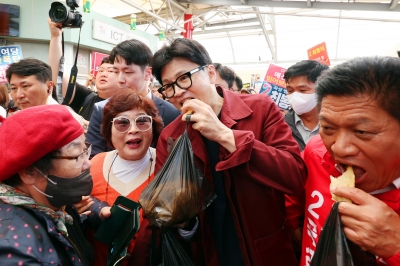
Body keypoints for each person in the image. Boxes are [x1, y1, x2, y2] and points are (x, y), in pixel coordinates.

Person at [151, 38, 307, 266]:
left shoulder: (260, 109)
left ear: (211, 73)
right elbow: (167, 205)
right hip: (207, 252)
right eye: (168, 86)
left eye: (184, 78)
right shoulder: (171, 135)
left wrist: (226, 135)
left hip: (264, 251)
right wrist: (182, 222)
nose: (178, 92)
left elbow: (293, 176)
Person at [286, 56, 400, 266]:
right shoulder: (315, 152)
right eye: (328, 128)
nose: (338, 147)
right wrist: (293, 226)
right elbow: (293, 196)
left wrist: (396, 247)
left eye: (361, 131)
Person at [0, 104, 111, 265]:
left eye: (85, 150)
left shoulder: (53, 204)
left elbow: (76, 215)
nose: (88, 164)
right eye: (76, 156)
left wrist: (99, 212)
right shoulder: (15, 250)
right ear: (30, 172)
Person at [82, 90, 163, 266]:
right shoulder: (92, 164)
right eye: (122, 123)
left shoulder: (167, 167)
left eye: (142, 121)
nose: (133, 129)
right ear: (108, 130)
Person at [86, 39, 180, 158]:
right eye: (115, 71)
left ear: (147, 73)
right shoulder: (101, 110)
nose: (120, 79)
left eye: (127, 72)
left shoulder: (172, 113)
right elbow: (93, 157)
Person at [48, 18, 118, 121]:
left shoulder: (128, 107)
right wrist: (55, 37)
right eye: (101, 70)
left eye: (110, 71)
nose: (103, 74)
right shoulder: (86, 97)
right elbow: (59, 76)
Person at [283, 60, 328, 151]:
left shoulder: (336, 125)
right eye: (290, 91)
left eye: (302, 90)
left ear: (322, 90)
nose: (295, 96)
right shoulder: (280, 125)